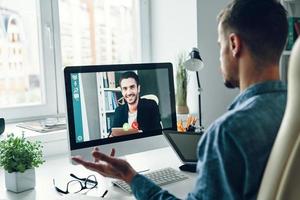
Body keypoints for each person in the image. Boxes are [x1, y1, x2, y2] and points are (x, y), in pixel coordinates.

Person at [72, 0, 288, 199]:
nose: (219, 56)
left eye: (219, 45)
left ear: (234, 44)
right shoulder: (291, 109)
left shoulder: (227, 133)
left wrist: (129, 176)